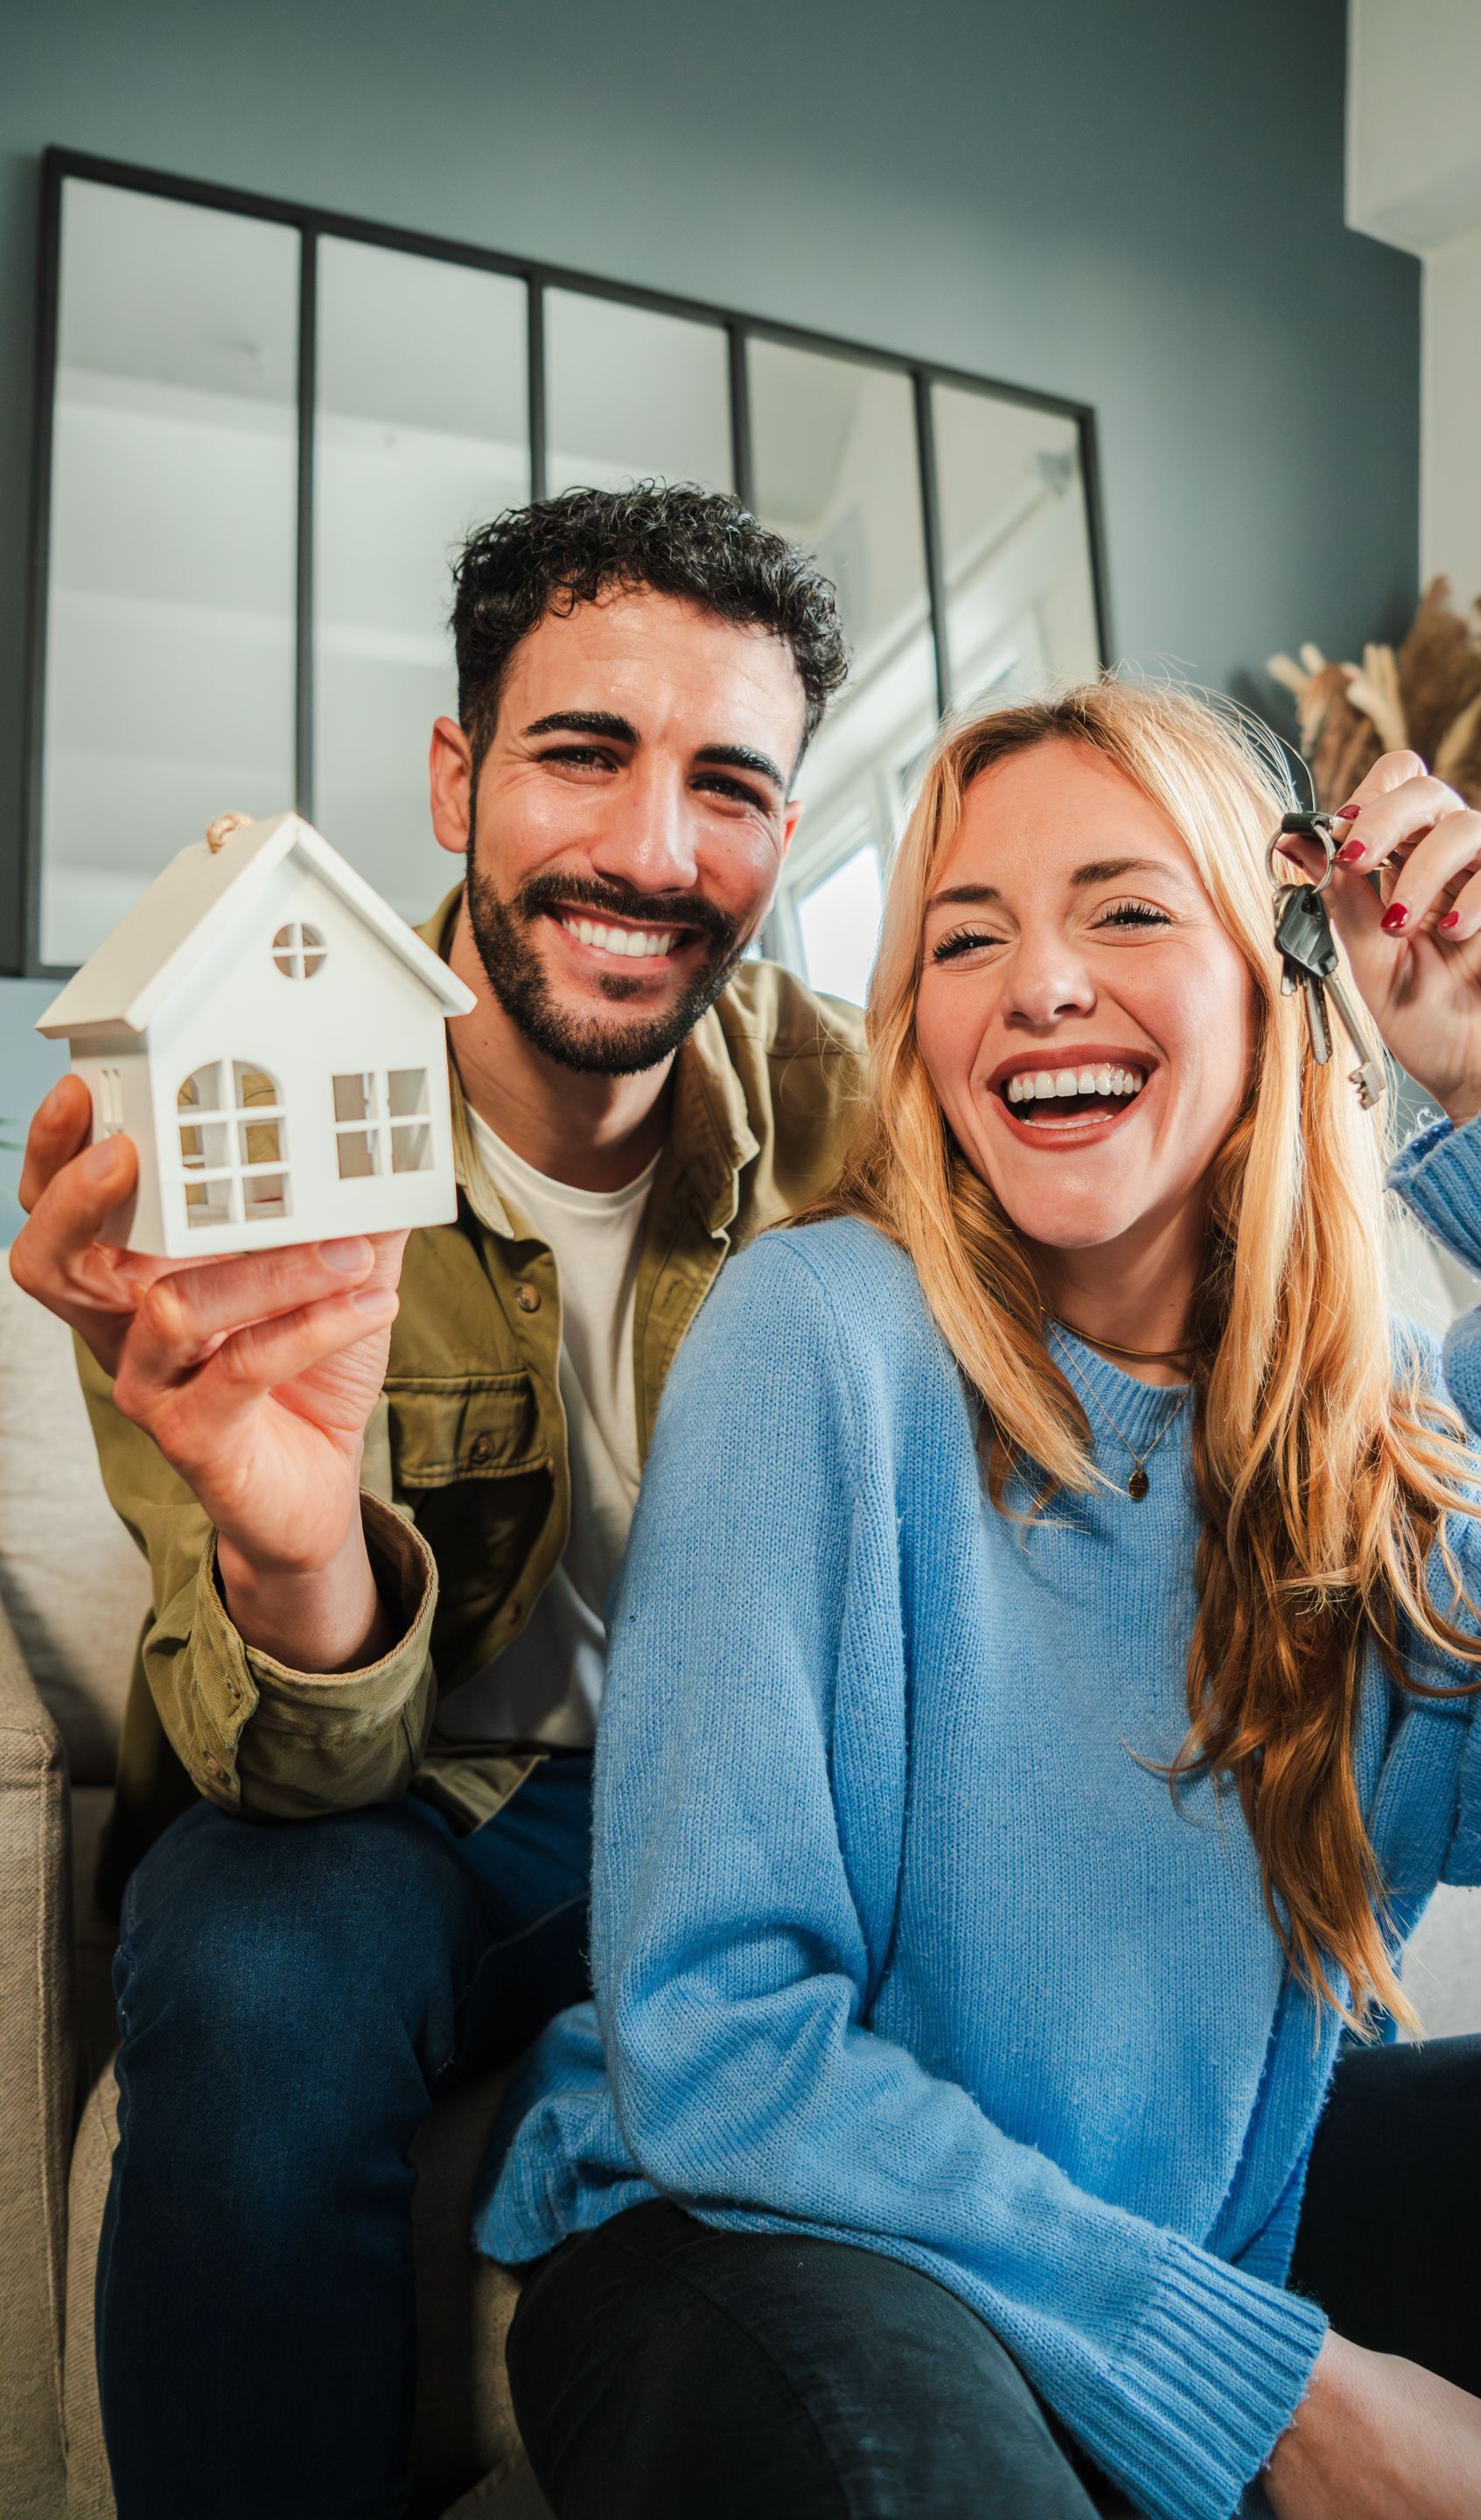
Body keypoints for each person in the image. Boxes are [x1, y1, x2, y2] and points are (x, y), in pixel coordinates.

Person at [481, 681, 1481, 2520]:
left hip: (1197, 2213)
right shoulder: (821, 1341)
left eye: (1125, 909)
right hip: (753, 2226)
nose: (1039, 984)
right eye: (968, 937)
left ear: (1282, 975)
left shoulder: (1382, 1420)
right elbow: (721, 2048)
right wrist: (1273, 2391)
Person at [9, 484, 864, 2520]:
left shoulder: (873, 1122)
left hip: (763, 1800)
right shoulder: (230, 1109)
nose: (655, 854)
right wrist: (301, 1542)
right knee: (251, 1955)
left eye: (728, 785)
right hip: (407, 1807)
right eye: (585, 754)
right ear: (458, 775)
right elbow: (276, 1756)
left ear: (789, 834)